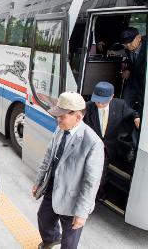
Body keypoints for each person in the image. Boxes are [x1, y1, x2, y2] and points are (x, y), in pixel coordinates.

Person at [32, 91, 104, 249]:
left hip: (73, 201)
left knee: (69, 243)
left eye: (62, 116)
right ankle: (51, 240)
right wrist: (39, 181)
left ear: (78, 117)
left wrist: (82, 213)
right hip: (52, 190)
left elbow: (91, 183)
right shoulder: (60, 129)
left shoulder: (93, 143)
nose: (58, 120)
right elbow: (48, 157)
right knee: (43, 219)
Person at [84, 82, 140, 197]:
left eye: (103, 101)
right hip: (92, 147)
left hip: (110, 147)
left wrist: (136, 118)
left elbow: (133, 113)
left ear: (112, 96)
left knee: (100, 176)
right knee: (98, 175)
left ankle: (100, 191)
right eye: (97, 100)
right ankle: (98, 193)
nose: (99, 103)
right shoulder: (87, 107)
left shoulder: (120, 105)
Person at [120, 27, 146, 114]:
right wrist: (128, 69)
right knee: (125, 102)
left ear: (139, 38)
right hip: (133, 81)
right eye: (125, 43)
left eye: (130, 41)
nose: (128, 45)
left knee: (143, 107)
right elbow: (131, 62)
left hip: (144, 82)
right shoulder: (128, 48)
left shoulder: (146, 49)